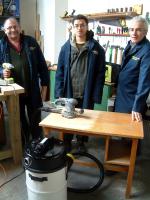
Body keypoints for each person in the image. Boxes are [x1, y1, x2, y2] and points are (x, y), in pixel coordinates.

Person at [55, 14, 106, 152]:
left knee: (84, 119)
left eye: (82, 25)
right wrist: (59, 93)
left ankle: (81, 143)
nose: (79, 28)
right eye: (76, 25)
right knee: (67, 118)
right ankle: (67, 142)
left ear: (87, 27)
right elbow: (60, 71)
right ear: (72, 28)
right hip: (69, 92)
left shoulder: (96, 48)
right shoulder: (66, 48)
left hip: (86, 92)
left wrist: (96, 94)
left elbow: (101, 73)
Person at [0, 17, 49, 145]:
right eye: (9, 28)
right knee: (19, 119)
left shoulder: (31, 42)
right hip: (14, 92)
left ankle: (38, 143)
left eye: (15, 26)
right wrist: (2, 72)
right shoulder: (1, 45)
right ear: (4, 30)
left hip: (32, 89)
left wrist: (44, 87)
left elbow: (42, 65)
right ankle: (25, 143)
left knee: (36, 118)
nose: (12, 30)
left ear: (19, 27)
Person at [115, 16, 150, 122]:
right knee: (119, 130)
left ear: (145, 32)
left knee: (131, 135)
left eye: (138, 30)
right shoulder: (130, 44)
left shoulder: (147, 50)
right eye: (131, 29)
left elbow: (145, 81)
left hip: (132, 101)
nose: (134, 33)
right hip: (122, 96)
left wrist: (137, 107)